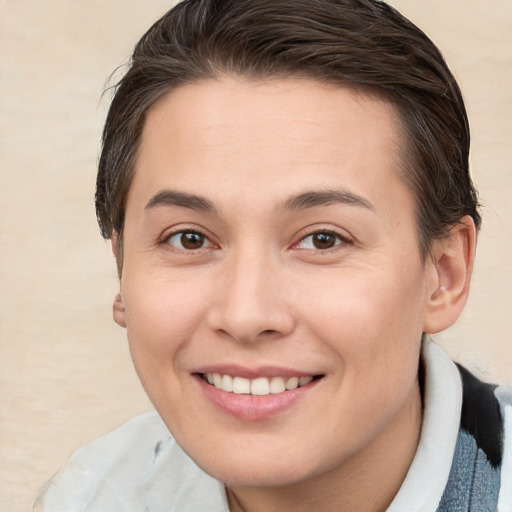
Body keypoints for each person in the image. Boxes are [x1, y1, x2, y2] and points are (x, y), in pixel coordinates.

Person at [34, 0, 511, 510]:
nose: (246, 315)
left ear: (445, 275)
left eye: (323, 239)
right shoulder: (88, 497)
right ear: (122, 268)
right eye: (189, 239)